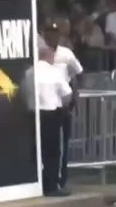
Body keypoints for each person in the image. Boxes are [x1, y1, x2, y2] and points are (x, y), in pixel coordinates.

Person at [32, 44, 72, 197]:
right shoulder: (55, 72)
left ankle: (38, 184)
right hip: (52, 115)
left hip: (33, 115)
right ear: (48, 56)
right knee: (54, 152)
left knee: (37, 151)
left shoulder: (31, 72)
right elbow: (67, 95)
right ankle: (52, 185)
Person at [46, 26, 83, 193]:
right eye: (48, 35)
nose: (51, 38)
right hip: (46, 102)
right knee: (49, 145)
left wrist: (75, 97)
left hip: (63, 102)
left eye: (54, 34)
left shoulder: (66, 54)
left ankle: (61, 179)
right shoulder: (41, 52)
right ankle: (48, 179)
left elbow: (77, 73)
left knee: (62, 144)